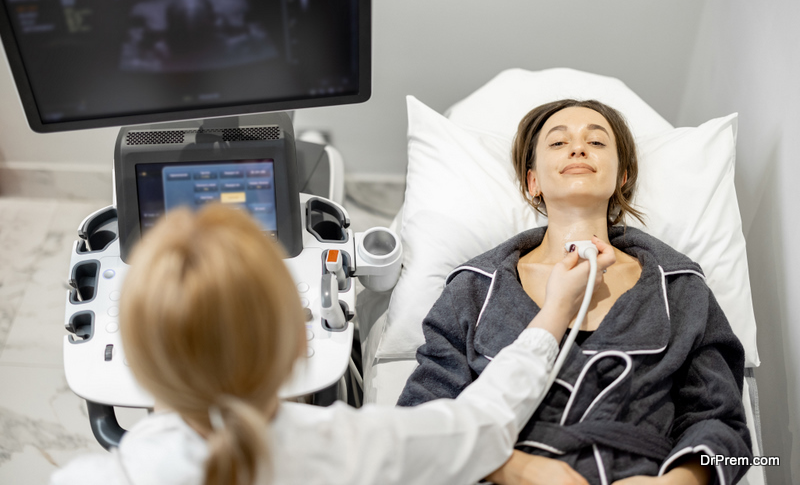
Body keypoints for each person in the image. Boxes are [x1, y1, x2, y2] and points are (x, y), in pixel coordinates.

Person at [50, 203, 615, 485]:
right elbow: (487, 424)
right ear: (300, 345)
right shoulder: (354, 447)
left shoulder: (85, 479)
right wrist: (556, 311)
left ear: (138, 360)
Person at [397, 99, 752, 485]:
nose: (579, 148)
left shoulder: (679, 286)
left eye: (597, 143)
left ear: (623, 178)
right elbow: (420, 422)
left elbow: (724, 424)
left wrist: (677, 482)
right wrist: (514, 469)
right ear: (532, 181)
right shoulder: (474, 290)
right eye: (557, 143)